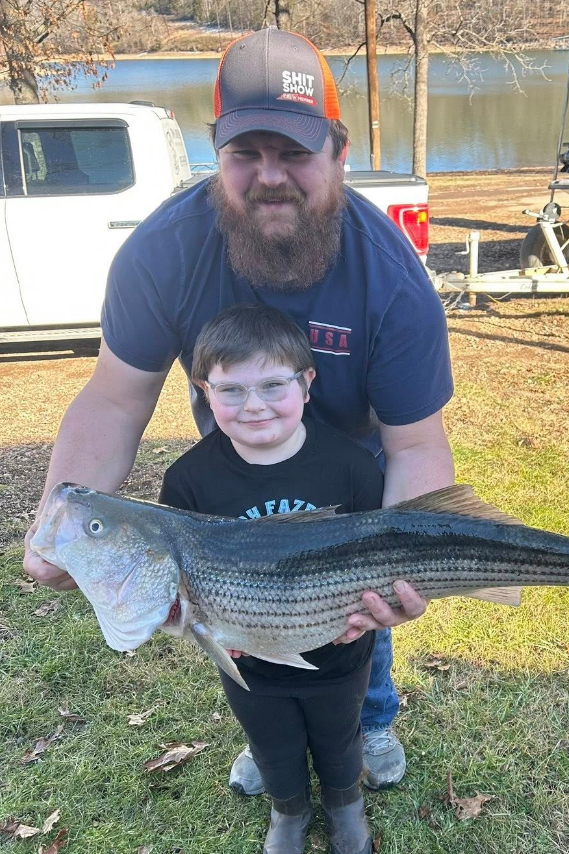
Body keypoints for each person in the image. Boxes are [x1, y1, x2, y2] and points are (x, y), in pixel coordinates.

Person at [23, 27, 455, 794]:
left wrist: (399, 567)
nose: (269, 177)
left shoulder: (392, 275)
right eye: (244, 154)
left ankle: (371, 716)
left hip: (355, 460)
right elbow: (115, 399)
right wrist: (57, 518)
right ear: (214, 155)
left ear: (338, 150)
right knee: (240, 612)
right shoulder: (163, 252)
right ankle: (274, 730)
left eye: (293, 152)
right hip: (237, 458)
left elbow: (416, 443)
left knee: (353, 604)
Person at [160, 304, 381, 854]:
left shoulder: (352, 466)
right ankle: (289, 811)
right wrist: (186, 623)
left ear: (307, 384)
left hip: (340, 654)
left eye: (273, 385)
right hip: (248, 665)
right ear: (202, 391)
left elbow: (380, 558)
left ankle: (344, 805)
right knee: (271, 743)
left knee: (340, 736)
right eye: (230, 390)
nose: (253, 405)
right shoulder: (187, 480)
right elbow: (174, 583)